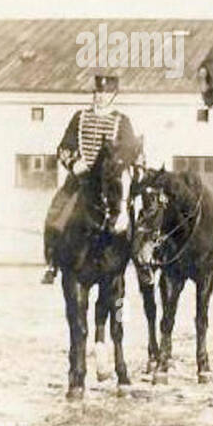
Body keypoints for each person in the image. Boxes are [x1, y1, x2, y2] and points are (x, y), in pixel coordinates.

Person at [41, 74, 141, 283]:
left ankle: (140, 262)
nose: (101, 97)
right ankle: (52, 262)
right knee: (56, 211)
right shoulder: (80, 118)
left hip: (110, 181)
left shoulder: (122, 121)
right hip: (81, 178)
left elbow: (130, 149)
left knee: (135, 215)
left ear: (113, 96)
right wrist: (73, 163)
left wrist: (115, 166)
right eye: (98, 92)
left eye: (106, 93)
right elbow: (64, 147)